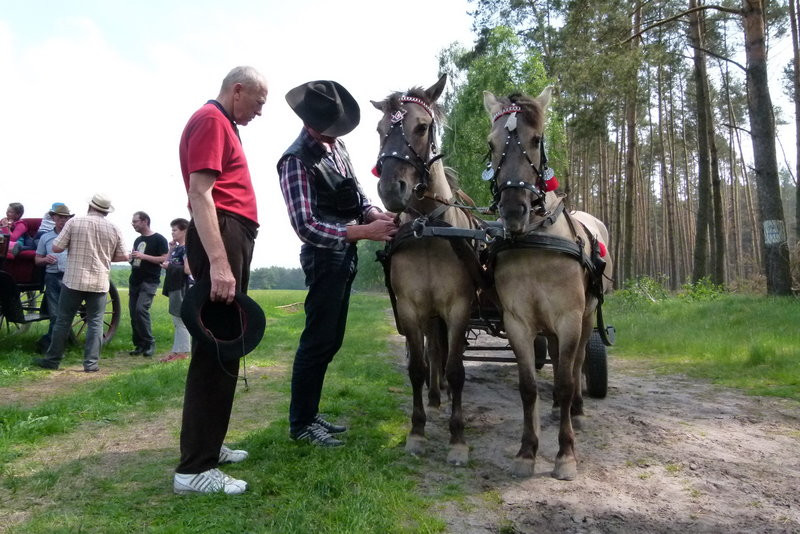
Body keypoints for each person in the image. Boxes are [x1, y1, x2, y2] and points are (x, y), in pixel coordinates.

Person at [278, 80, 397, 447]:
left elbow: (355, 192)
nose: (334, 136)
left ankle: (310, 415)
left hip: (343, 254)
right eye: (328, 129)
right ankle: (300, 423)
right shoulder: (295, 160)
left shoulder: (337, 146)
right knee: (317, 341)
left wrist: (374, 213)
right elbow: (306, 226)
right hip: (323, 257)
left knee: (331, 341)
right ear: (311, 123)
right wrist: (364, 232)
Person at [173, 66, 268, 496]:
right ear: (238, 90)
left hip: (234, 232)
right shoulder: (212, 120)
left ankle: (210, 442)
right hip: (223, 235)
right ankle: (195, 469)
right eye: (259, 102)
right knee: (216, 350)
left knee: (227, 346)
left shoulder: (225, 124)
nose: (260, 112)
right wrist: (219, 263)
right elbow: (200, 193)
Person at [32, 194, 128, 372]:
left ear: (90, 206)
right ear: (105, 212)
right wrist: (105, 255)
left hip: (73, 280)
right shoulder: (114, 228)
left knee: (63, 321)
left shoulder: (74, 223)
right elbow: (123, 256)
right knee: (96, 323)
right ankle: (91, 364)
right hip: (99, 282)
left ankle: (53, 360)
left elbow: (56, 247)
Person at [34, 204, 74, 352]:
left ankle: (49, 341)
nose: (63, 220)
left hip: (70, 277)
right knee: (55, 314)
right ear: (54, 218)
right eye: (60, 217)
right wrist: (45, 259)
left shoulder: (74, 237)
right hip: (51, 277)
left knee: (66, 312)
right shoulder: (46, 237)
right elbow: (37, 260)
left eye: (66, 217)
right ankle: (54, 347)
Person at [128, 211, 169, 357]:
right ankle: (139, 345)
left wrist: (143, 256)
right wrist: (131, 258)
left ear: (145, 221)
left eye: (135, 221)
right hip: (135, 280)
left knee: (141, 310)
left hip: (149, 281)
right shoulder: (137, 240)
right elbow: (136, 260)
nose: (133, 224)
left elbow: (164, 258)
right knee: (134, 314)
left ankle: (150, 342)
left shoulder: (159, 239)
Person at [160, 217, 191, 362]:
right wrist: (171, 249)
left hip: (182, 287)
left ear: (184, 230)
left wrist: (170, 267)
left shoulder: (188, 248)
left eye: (175, 230)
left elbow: (188, 269)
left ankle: (183, 352)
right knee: (176, 320)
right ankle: (176, 351)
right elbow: (166, 262)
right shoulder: (178, 248)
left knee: (181, 320)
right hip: (174, 286)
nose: (172, 233)